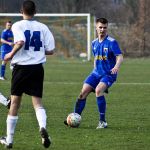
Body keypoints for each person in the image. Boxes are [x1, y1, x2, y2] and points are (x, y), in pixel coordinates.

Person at [0, 0, 55, 149]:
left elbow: (21, 41)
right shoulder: (42, 27)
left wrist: (10, 54)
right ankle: (42, 127)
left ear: (21, 11)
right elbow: (51, 50)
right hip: (37, 68)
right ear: (35, 12)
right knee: (37, 103)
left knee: (15, 104)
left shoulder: (18, 25)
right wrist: (36, 51)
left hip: (21, 69)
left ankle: (9, 140)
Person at [64, 18, 123, 129]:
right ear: (96, 28)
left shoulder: (112, 42)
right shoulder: (94, 43)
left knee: (98, 90)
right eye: (100, 27)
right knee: (83, 93)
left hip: (108, 74)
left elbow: (119, 56)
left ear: (107, 28)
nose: (102, 29)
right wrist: (94, 69)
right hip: (96, 74)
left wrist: (116, 67)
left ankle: (102, 122)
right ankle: (75, 118)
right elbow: (96, 58)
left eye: (105, 27)